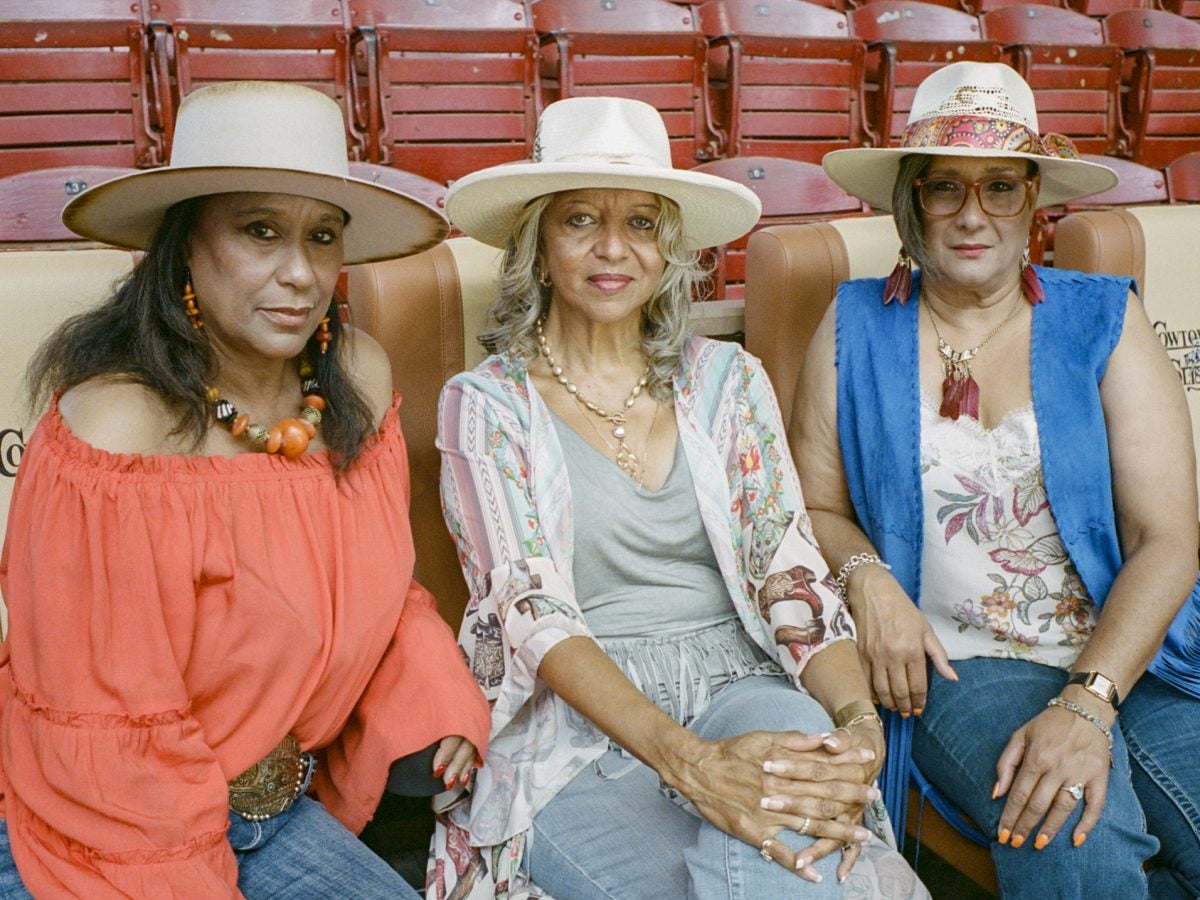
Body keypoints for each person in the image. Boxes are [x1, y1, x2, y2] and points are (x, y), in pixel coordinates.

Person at [426, 96, 928, 900]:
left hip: (745, 685)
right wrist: (690, 765)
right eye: (581, 219)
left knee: (800, 856)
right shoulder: (486, 405)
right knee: (796, 882)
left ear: (672, 248)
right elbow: (530, 610)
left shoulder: (729, 381)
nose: (614, 248)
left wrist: (858, 727)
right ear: (538, 243)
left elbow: (787, 569)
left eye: (644, 224)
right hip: (579, 721)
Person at [0, 81, 491, 898]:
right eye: (259, 231)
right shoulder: (116, 434)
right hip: (96, 832)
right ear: (187, 242)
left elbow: (379, 583)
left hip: (274, 814)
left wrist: (435, 696)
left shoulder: (354, 380)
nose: (300, 273)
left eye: (322, 237)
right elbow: (114, 746)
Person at [794, 62, 1200, 898]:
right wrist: (870, 585)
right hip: (961, 662)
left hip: (1132, 653)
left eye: (1000, 188)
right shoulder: (856, 323)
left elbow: (1168, 538)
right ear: (911, 202)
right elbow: (816, 506)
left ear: (1034, 202)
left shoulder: (1103, 317)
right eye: (945, 187)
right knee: (1071, 825)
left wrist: (1089, 702)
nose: (973, 214)